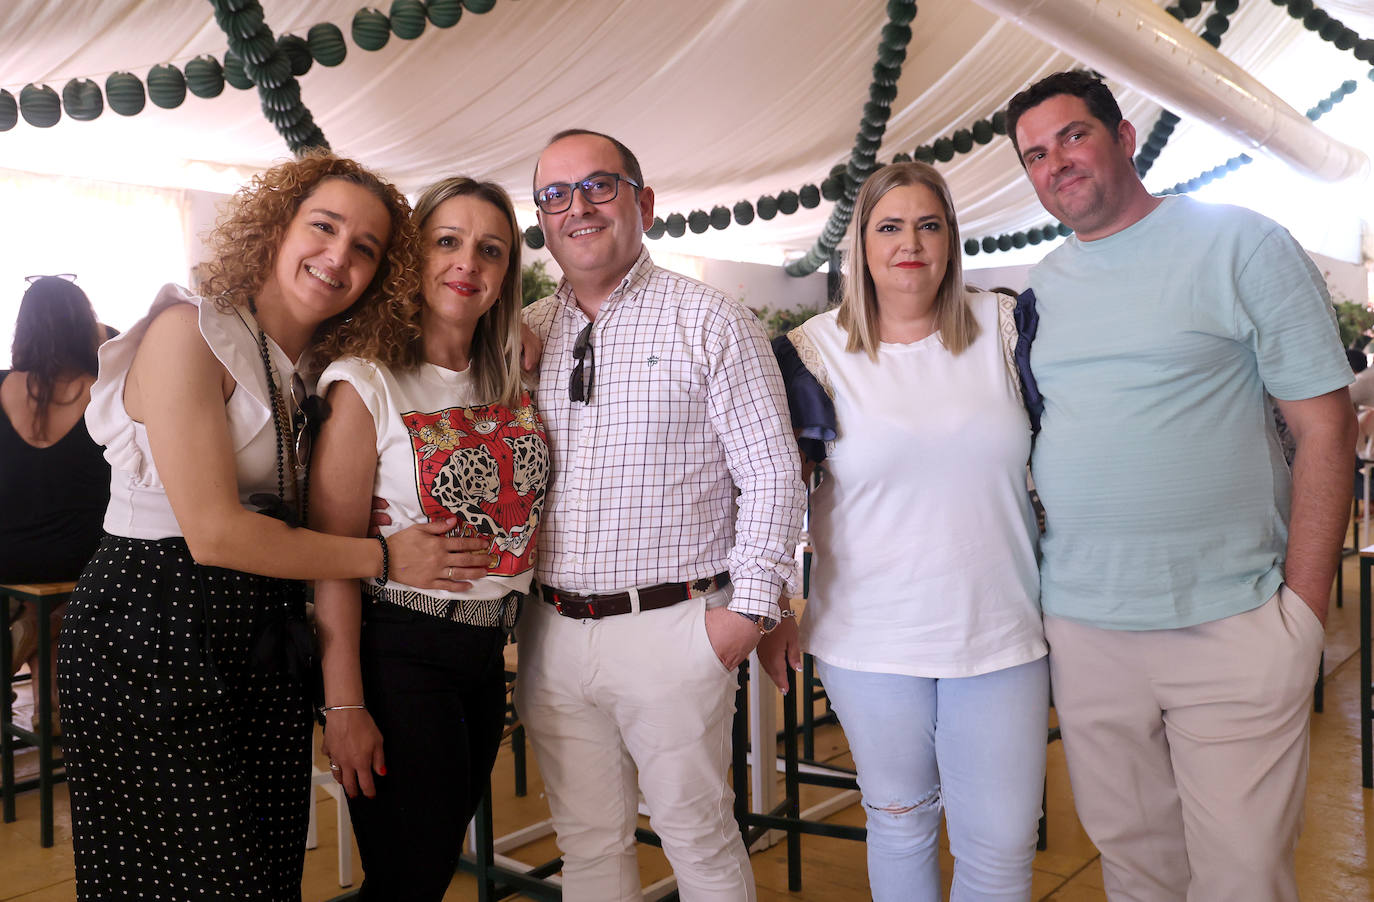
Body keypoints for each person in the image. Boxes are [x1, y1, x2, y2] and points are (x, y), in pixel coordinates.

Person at [57, 152, 495, 901]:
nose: (338, 257)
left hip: (260, 629)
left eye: (366, 248)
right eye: (323, 227)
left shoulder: (316, 359)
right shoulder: (187, 332)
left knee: (265, 874)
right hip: (154, 622)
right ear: (273, 229)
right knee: (194, 879)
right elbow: (214, 535)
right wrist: (384, 557)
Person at [1006, 70, 1355, 901]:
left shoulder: (1243, 244)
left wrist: (1303, 611)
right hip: (1087, 628)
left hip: (1232, 621)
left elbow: (1326, 428)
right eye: (1034, 155)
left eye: (1073, 136)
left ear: (1124, 138)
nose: (1056, 162)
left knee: (1241, 878)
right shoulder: (1042, 289)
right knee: (1134, 870)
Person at [516, 129, 806, 902]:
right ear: (541, 220)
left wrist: (746, 613)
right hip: (550, 633)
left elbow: (775, 475)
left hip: (675, 628)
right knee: (586, 848)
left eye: (598, 187)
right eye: (555, 194)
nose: (577, 208)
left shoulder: (712, 321)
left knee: (700, 843)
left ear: (643, 202)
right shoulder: (529, 336)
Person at [760, 161, 1048, 902]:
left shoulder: (1006, 328)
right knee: (901, 823)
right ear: (860, 244)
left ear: (951, 239)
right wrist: (776, 608)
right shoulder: (812, 354)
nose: (909, 243)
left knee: (1002, 845)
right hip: (869, 640)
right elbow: (774, 490)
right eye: (889, 227)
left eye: (929, 225)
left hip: (1001, 634)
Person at [311, 176, 548, 901]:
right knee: (409, 880)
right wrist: (345, 705)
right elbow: (331, 561)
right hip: (397, 651)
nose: (466, 264)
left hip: (485, 655)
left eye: (490, 250)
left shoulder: (510, 372)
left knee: (427, 867)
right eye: (446, 242)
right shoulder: (365, 383)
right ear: (413, 258)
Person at [1, 275, 112, 725]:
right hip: (78, 556)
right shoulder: (104, 391)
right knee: (81, 586)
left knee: (44, 597)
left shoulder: (3, 385)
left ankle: (43, 686)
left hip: (6, 553)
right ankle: (52, 700)